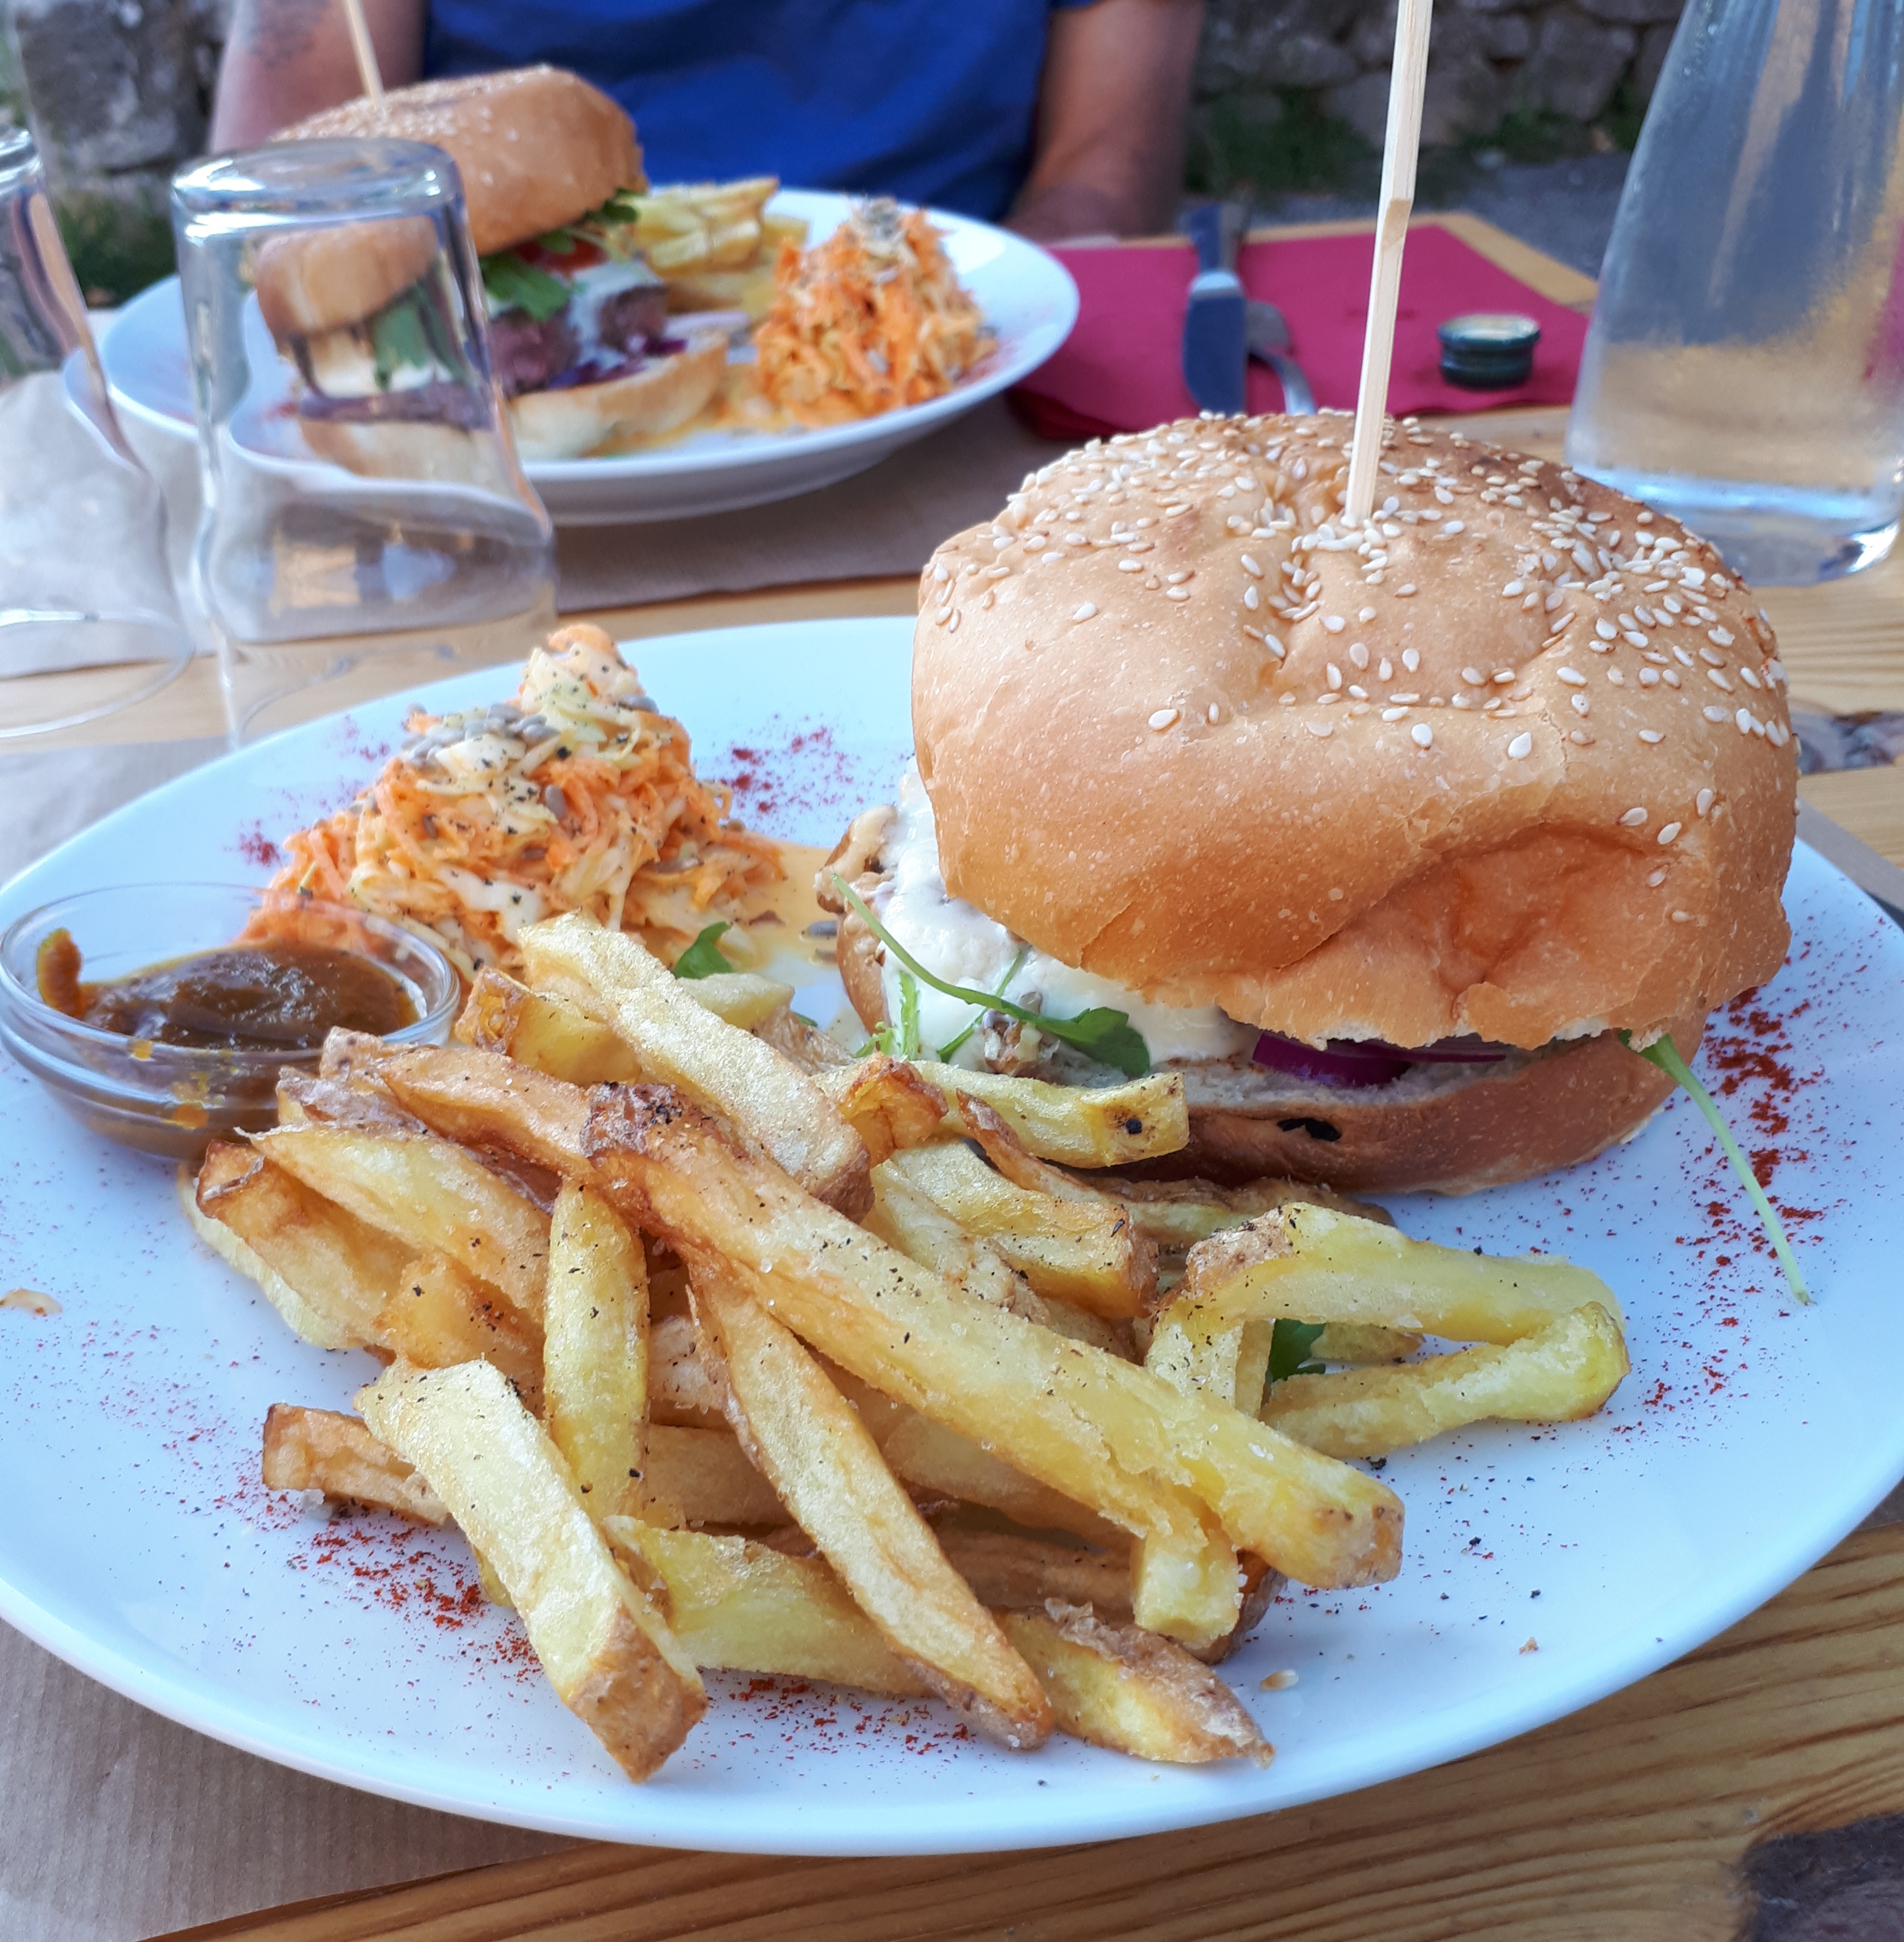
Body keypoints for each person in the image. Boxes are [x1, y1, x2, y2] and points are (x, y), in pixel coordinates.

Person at [209, 0, 1205, 242]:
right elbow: (276, 196)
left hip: (954, 359)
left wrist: (994, 316)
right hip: (484, 411)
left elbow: (1106, 168)